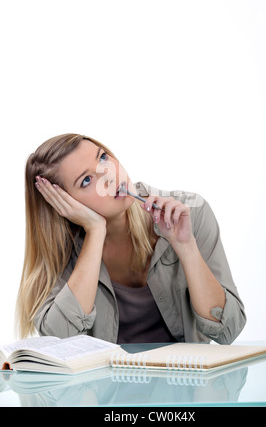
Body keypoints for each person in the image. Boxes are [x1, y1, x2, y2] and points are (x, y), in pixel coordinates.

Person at [16, 133, 246, 344]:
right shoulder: (62, 252)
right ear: (62, 204)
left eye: (103, 158)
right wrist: (96, 232)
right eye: (87, 180)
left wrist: (186, 247)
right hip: (106, 387)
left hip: (185, 384)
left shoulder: (189, 213)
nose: (109, 177)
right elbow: (60, 340)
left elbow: (229, 330)